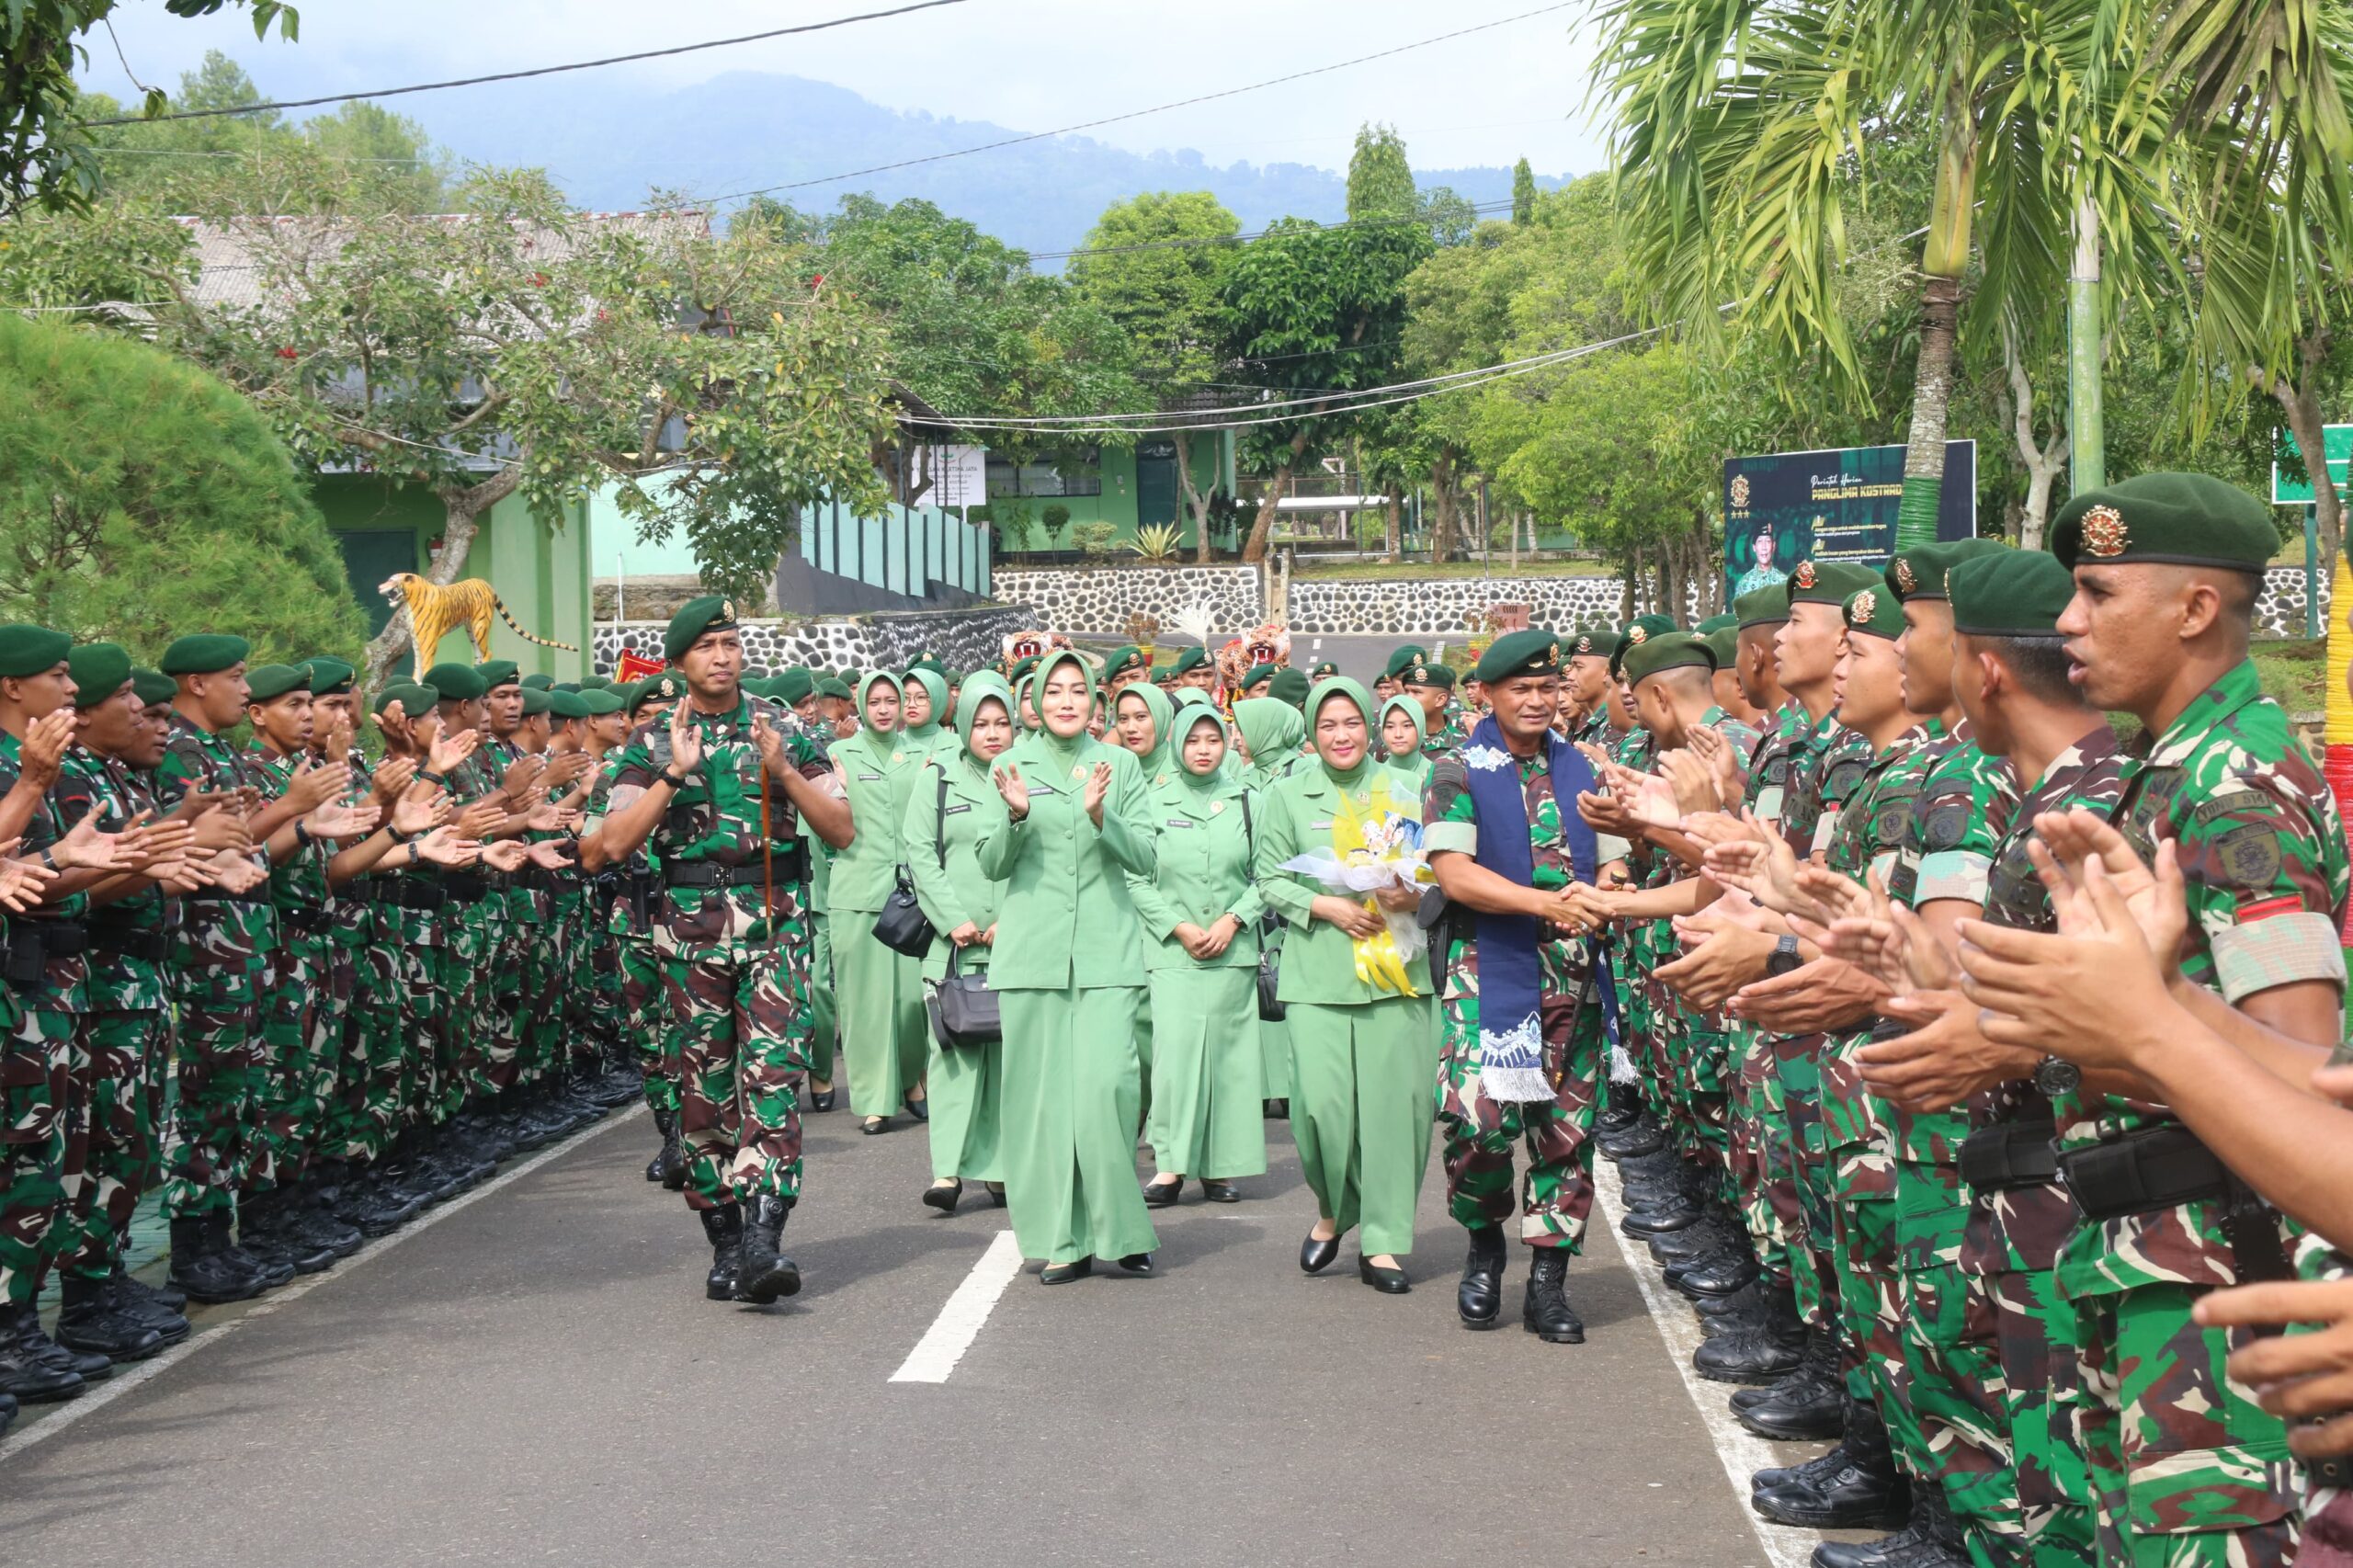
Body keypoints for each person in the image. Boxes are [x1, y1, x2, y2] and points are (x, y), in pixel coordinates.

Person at [591, 597, 852, 1306]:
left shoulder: (785, 725)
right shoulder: (649, 742)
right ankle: (728, 1238)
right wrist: (674, 775)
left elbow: (842, 830)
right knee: (703, 1090)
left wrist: (786, 773)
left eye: (731, 643)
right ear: (681, 661)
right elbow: (613, 844)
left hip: (774, 927)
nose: (723, 656)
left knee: (771, 1077)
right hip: (688, 935)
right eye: (707, 646)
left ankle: (766, 1238)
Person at [1425, 630, 1605, 1343]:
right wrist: (1547, 904)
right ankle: (1483, 1240)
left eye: (1547, 688)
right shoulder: (1457, 769)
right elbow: (1454, 874)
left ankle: (1548, 1285)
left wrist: (1608, 887)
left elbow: (1617, 859)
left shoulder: (1587, 767)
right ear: (1487, 694)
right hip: (1488, 970)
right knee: (1481, 1126)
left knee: (1566, 1133)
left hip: (1576, 975)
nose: (1536, 700)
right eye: (1520, 689)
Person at [979, 648, 1160, 1284]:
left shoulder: (1120, 765)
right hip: (1032, 958)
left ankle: (1121, 1227)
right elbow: (991, 864)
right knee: (1043, 1103)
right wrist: (1018, 815)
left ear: (1095, 702)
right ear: (1033, 701)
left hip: (1108, 954)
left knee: (1109, 1089)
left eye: (1077, 691)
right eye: (1052, 690)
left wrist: (1100, 815)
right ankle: (1063, 1237)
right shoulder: (1007, 765)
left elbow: (1148, 858)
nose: (1065, 701)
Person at [1253, 676, 1438, 1294]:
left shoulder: (1404, 791)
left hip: (1396, 976)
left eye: (1352, 722)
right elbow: (1269, 878)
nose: (1342, 735)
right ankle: (1336, 1208)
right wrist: (1325, 908)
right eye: (1328, 725)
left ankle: (1383, 1241)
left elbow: (1435, 874)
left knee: (1395, 1115)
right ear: (1312, 732)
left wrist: (1407, 890)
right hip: (1318, 975)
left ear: (1371, 727)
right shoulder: (1285, 795)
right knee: (1318, 1113)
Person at [1131, 702, 1267, 1205]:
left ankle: (1220, 1165)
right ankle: (1170, 1165)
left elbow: (1269, 873)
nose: (1204, 750)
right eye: (1193, 740)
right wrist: (1179, 926)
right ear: (1177, 744)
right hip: (1173, 952)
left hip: (1233, 950)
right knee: (1176, 1059)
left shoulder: (1248, 800)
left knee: (1229, 1060)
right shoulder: (1150, 800)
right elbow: (1134, 876)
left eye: (1213, 740)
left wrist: (1234, 920)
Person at [904, 673, 1014, 1214]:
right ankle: (947, 1173)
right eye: (981, 723)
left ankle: (998, 1171)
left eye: (1002, 724)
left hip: (1017, 943)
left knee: (1006, 1060)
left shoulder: (1027, 776)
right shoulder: (939, 778)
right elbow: (920, 853)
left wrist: (1014, 920)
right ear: (963, 723)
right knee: (950, 1055)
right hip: (952, 948)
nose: (992, 734)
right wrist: (953, 920)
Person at [827, 671, 931, 1135]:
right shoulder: (838, 755)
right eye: (877, 701)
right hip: (858, 892)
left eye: (894, 700)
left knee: (913, 1001)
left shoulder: (922, 755)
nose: (886, 708)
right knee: (864, 1005)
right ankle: (873, 1098)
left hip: (912, 894)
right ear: (861, 706)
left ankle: (911, 1077)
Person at [1234, 696, 1308, 1116]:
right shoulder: (1244, 774)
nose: (1238, 738)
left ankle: (1294, 1085)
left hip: (1291, 892)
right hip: (1255, 891)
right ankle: (1266, 1088)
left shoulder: (1304, 768)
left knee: (1286, 984)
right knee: (1264, 986)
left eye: (1245, 729)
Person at [1379, 694, 1432, 795]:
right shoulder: (1373, 778)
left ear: (1420, 727)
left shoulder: (1435, 777)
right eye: (1390, 727)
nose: (1398, 734)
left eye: (1407, 726)